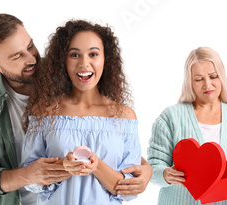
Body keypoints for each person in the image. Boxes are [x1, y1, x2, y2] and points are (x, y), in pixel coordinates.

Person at [0, 14, 151, 205]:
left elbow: (105, 135)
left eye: (30, 46)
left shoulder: (67, 71)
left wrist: (145, 168)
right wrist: (27, 175)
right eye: (18, 56)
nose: (32, 59)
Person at [20, 19, 141, 205]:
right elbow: (30, 179)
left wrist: (96, 165)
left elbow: (129, 188)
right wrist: (64, 166)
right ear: (63, 61)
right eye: (75, 55)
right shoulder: (45, 112)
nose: (85, 64)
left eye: (93, 54)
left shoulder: (124, 117)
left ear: (105, 60)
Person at [147, 47, 227, 205]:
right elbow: (152, 168)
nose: (207, 85)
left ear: (221, 76)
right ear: (190, 82)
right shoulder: (170, 117)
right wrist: (165, 175)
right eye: (199, 79)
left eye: (213, 76)